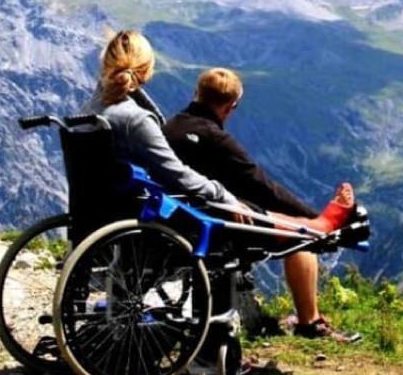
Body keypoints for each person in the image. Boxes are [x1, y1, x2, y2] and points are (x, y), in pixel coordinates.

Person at [163, 67, 361, 342]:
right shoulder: (217, 139)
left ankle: (317, 228)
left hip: (177, 216)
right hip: (215, 222)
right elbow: (261, 186)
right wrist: (311, 215)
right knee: (301, 235)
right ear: (231, 107)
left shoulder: (168, 127)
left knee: (291, 225)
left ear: (196, 93)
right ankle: (310, 322)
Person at [79, 30, 238, 206]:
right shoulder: (135, 120)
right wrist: (221, 193)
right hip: (133, 211)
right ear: (147, 70)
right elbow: (177, 175)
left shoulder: (88, 110)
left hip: (91, 209)